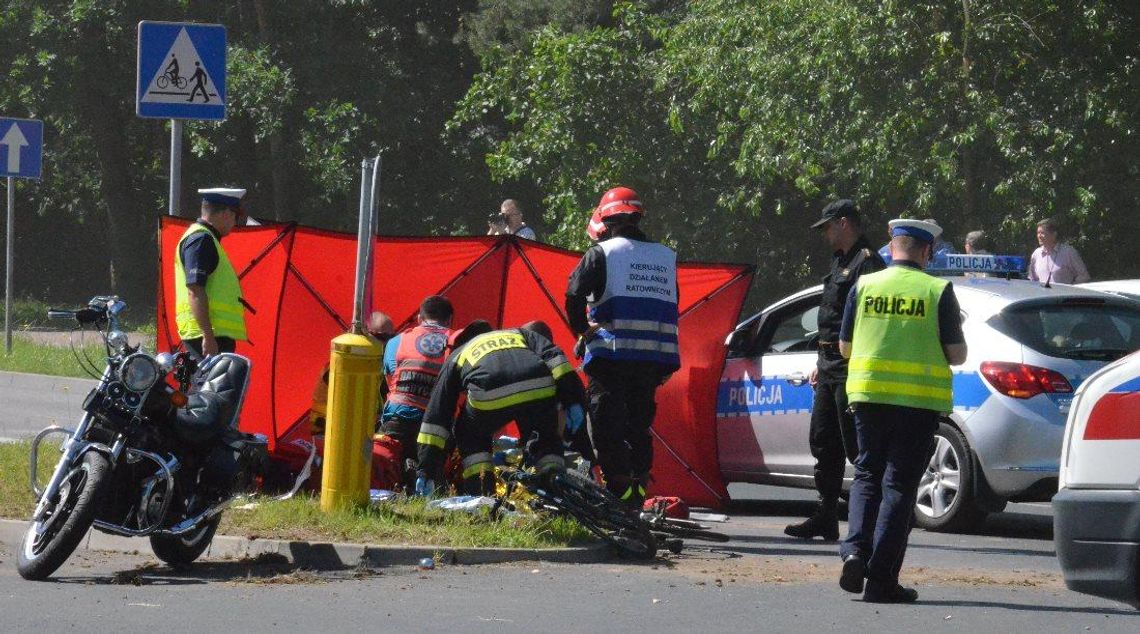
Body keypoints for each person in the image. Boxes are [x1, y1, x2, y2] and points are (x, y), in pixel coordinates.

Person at [837, 218, 968, 603]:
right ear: (926, 252)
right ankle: (880, 581)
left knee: (866, 476)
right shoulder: (937, 289)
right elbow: (956, 354)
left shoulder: (864, 285)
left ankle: (855, 552)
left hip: (868, 398)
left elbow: (845, 347)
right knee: (897, 487)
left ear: (890, 247)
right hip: (916, 404)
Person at [565, 186, 680, 505]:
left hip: (610, 358)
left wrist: (582, 331)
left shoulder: (602, 253)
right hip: (651, 360)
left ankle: (620, 497)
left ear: (606, 219)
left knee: (606, 427)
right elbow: (672, 306)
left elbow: (573, 294)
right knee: (638, 428)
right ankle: (638, 493)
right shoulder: (665, 257)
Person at [785, 200, 885, 541]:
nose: (825, 233)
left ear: (844, 223)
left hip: (851, 366)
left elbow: (866, 320)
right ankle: (825, 514)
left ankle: (870, 520)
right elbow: (830, 318)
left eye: (828, 226)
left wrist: (851, 362)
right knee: (823, 441)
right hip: (829, 365)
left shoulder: (868, 263)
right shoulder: (842, 260)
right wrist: (819, 362)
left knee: (857, 446)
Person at [414, 321, 586, 495]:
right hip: (538, 386)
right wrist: (574, 400)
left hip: (488, 393)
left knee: (469, 435)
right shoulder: (520, 334)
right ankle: (555, 487)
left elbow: (436, 419)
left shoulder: (458, 354)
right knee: (546, 436)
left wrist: (426, 469)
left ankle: (482, 493)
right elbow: (557, 361)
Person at [377, 296, 454, 466]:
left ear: (419, 318)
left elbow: (390, 375)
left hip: (397, 419)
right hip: (435, 426)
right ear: (449, 321)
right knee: (431, 477)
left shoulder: (397, 341)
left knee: (388, 472)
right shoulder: (456, 342)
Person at [174, 187, 250, 359]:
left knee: (215, 385)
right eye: (236, 216)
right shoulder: (202, 240)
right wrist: (207, 335)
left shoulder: (205, 238)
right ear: (225, 214)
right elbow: (195, 290)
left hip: (211, 333)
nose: (235, 222)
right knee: (214, 386)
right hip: (208, 336)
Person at [1029, 218, 1090, 285]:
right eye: (1038, 233)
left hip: (1064, 295)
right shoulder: (1036, 254)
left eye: (1042, 233)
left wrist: (1070, 289)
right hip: (1043, 295)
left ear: (1054, 234)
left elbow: (1084, 276)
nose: (1039, 236)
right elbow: (1032, 279)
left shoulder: (1068, 252)